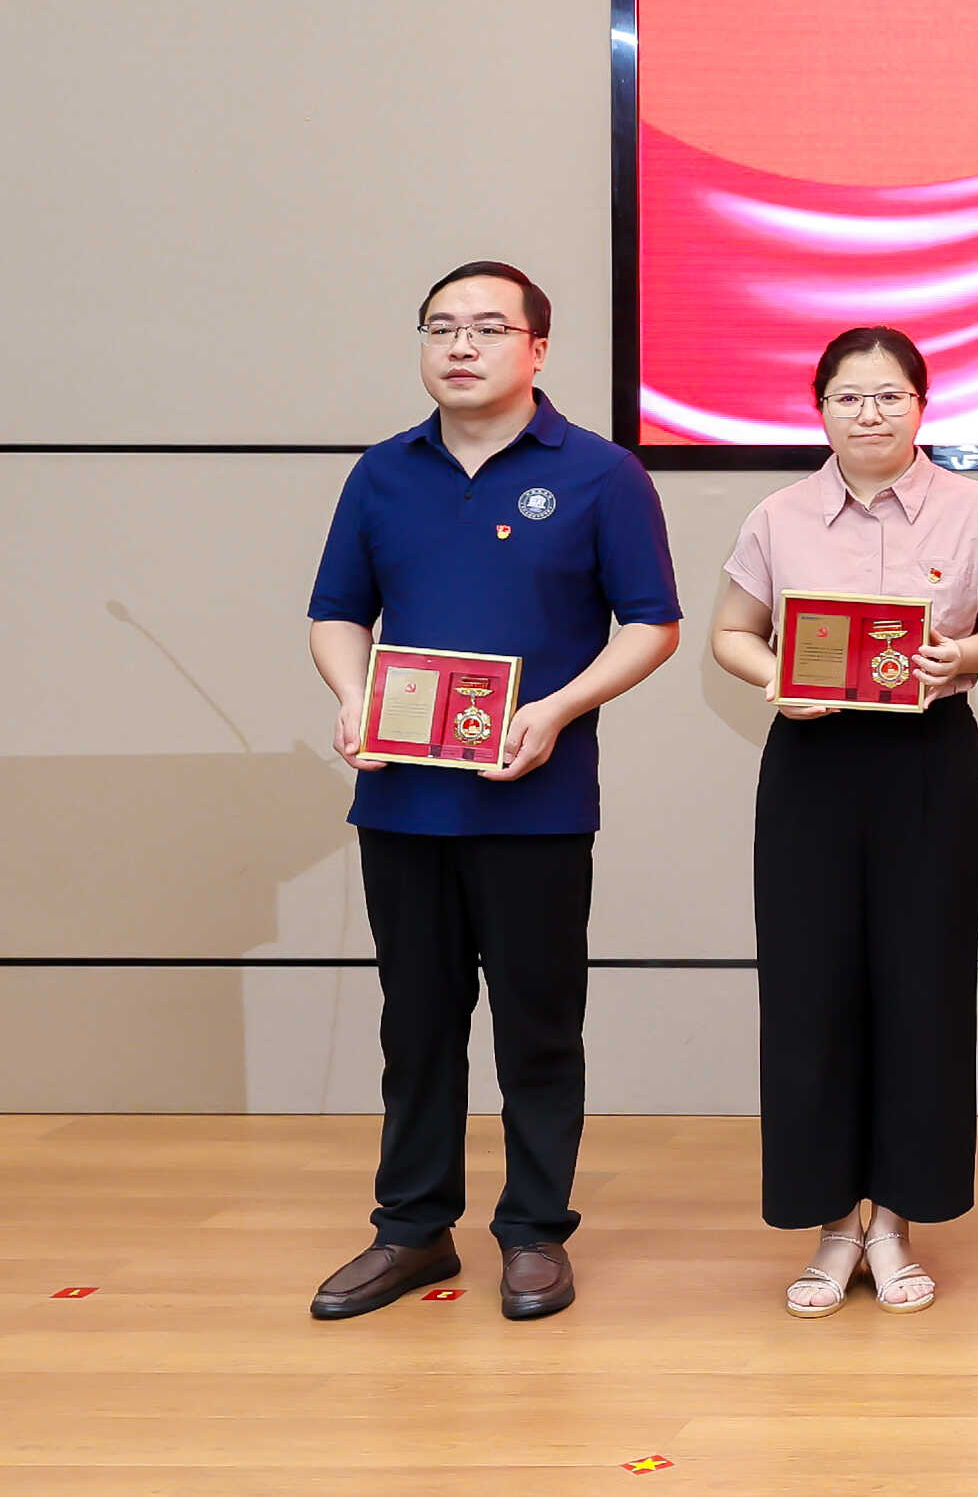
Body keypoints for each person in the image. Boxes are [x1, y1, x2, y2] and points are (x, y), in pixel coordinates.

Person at [304, 262, 680, 1323]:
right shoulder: (382, 473)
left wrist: (555, 710)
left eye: (486, 328)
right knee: (416, 1024)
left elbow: (652, 624)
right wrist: (352, 697)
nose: (460, 346)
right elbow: (337, 614)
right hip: (401, 801)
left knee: (537, 1025)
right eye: (440, 328)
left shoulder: (602, 473)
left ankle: (533, 1233)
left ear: (537, 348)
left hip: (537, 803)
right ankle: (412, 1228)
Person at [706, 326, 978, 1316]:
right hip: (811, 765)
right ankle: (830, 1227)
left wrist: (961, 657)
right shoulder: (778, 516)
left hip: (927, 764)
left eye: (890, 396)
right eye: (849, 397)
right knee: (809, 995)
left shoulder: (974, 508)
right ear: (820, 410)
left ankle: (894, 1221)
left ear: (921, 407)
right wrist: (776, 676)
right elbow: (730, 633)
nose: (870, 414)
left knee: (921, 991)